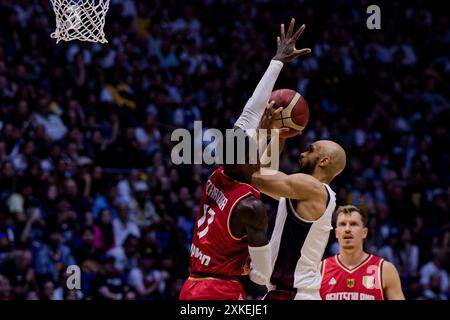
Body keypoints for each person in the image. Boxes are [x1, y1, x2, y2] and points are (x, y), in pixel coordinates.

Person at [179, 18, 311, 300]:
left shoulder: (221, 173)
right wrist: (275, 134)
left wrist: (277, 61)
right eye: (254, 147)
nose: (255, 142)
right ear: (248, 162)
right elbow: (262, 277)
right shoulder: (250, 207)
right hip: (219, 290)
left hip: (192, 286)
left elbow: (248, 115)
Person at [320, 205, 405, 300]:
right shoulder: (320, 270)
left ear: (364, 232)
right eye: (342, 224)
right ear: (336, 233)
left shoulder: (385, 270)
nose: (347, 229)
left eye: (353, 224)